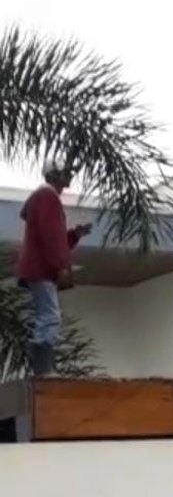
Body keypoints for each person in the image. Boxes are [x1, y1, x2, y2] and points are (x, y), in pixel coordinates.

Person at [16, 159, 92, 377]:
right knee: (50, 316)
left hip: (38, 268)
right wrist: (61, 267)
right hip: (41, 270)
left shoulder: (44, 198)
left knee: (47, 315)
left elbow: (53, 238)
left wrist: (75, 235)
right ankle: (42, 369)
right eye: (64, 173)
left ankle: (41, 367)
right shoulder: (47, 197)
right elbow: (50, 237)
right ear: (53, 175)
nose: (68, 177)